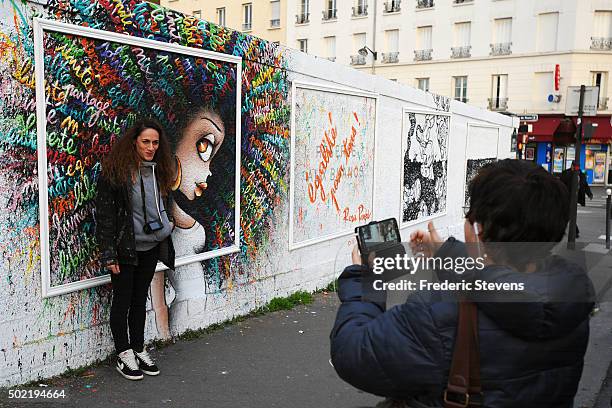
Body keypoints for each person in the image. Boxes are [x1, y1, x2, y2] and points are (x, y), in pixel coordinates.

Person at [330, 159, 593, 407]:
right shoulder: (570, 295)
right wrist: (443, 252)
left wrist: (366, 280)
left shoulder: (434, 317)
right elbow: (498, 284)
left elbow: (353, 353)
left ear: (479, 231)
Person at [96, 118, 175, 381]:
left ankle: (139, 348)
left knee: (140, 299)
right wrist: (108, 252)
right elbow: (105, 215)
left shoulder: (159, 171)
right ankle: (123, 351)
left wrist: (168, 226)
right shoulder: (116, 174)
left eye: (155, 142)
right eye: (145, 142)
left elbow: (164, 204)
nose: (151, 147)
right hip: (125, 249)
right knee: (122, 301)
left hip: (151, 247)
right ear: (134, 142)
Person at [560, 160, 593, 238]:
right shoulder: (566, 173)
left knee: (569, 215)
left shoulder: (581, 175)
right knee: (569, 215)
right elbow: (561, 184)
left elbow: (585, 185)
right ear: (571, 166)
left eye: (577, 167)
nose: (575, 168)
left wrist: (589, 194)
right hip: (567, 197)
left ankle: (573, 231)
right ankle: (575, 231)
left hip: (576, 198)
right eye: (574, 167)